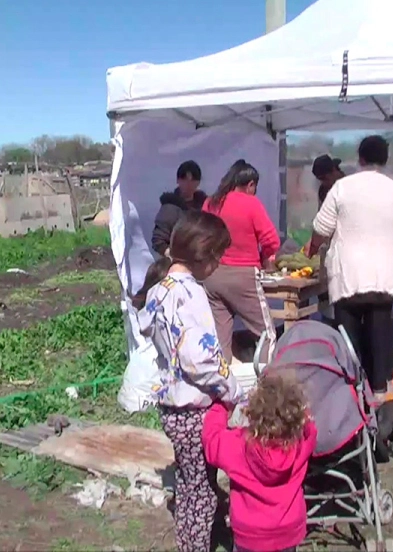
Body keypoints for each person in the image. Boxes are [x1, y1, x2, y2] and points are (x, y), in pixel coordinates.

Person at [131, 210, 242, 552]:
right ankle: (194, 546)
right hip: (194, 411)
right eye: (218, 255)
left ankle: (188, 540)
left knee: (189, 482)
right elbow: (200, 360)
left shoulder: (159, 289)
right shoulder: (190, 293)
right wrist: (233, 388)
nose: (220, 262)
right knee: (202, 493)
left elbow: (149, 329)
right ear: (203, 254)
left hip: (170, 407)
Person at [312, 135, 393, 396]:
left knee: (349, 344)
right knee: (380, 339)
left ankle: (351, 394)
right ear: (385, 159)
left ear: (359, 158)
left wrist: (314, 246)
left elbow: (321, 227)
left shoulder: (342, 188)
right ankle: (379, 394)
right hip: (384, 279)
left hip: (348, 278)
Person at [202, 369, 317, 552]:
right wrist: (301, 415)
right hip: (288, 529)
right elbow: (312, 429)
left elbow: (211, 440)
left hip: (251, 533)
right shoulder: (300, 444)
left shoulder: (239, 445)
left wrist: (221, 407)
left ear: (253, 414)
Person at [202, 160, 279, 363]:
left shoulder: (211, 203)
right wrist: (265, 258)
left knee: (220, 338)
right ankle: (268, 385)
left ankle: (220, 386)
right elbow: (271, 240)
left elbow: (199, 235)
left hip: (212, 275)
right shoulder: (250, 203)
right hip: (243, 276)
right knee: (265, 334)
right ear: (250, 184)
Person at [151, 160, 206, 256]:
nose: (188, 184)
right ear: (178, 180)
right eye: (184, 179)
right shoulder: (169, 208)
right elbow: (158, 241)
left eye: (193, 180)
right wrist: (174, 257)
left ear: (198, 182)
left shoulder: (205, 206)